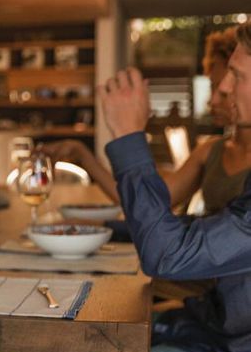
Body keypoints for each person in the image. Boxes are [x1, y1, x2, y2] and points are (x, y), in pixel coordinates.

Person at [18, 23, 251, 352]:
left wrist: (128, 136)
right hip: (212, 327)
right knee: (73, 333)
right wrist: (106, 227)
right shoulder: (214, 151)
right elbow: (180, 223)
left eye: (235, 76)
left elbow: (168, 253)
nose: (221, 90)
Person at [43, 27, 245, 214]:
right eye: (213, 86)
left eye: (224, 89)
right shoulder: (211, 151)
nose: (212, 99)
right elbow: (145, 204)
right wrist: (82, 155)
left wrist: (129, 135)